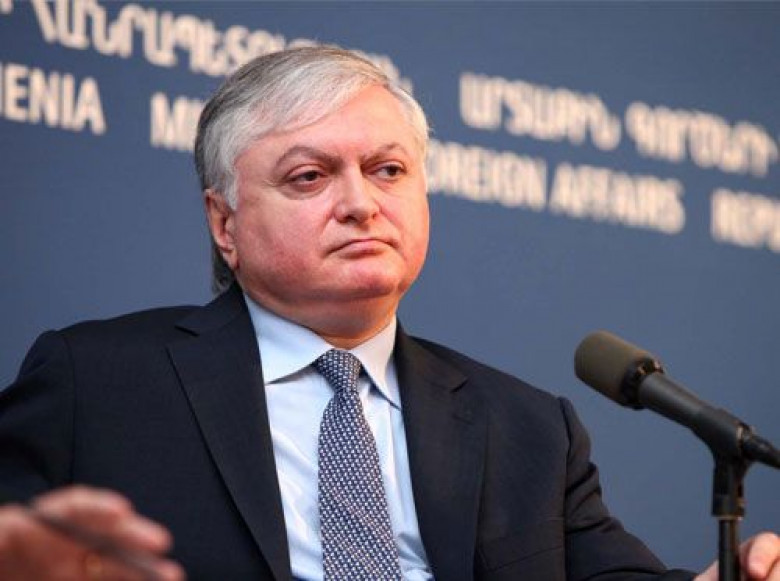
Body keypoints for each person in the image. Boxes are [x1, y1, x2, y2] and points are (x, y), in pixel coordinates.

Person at [0, 46, 778, 581]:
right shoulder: (97, 384)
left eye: (388, 169)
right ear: (225, 223)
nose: (361, 203)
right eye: (310, 176)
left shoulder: (529, 430)